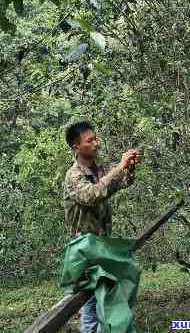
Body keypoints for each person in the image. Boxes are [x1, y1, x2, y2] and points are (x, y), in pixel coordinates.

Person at [63, 120, 141, 333]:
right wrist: (119, 168)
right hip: (84, 251)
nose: (96, 143)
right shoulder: (74, 175)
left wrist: (129, 169)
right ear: (76, 147)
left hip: (101, 247)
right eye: (90, 140)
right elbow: (93, 195)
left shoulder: (100, 168)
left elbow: (119, 183)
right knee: (89, 306)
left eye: (96, 138)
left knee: (105, 300)